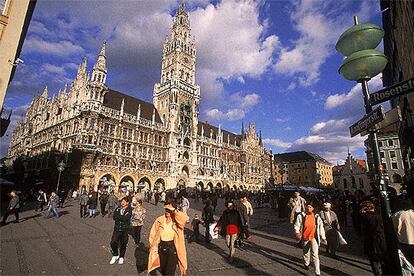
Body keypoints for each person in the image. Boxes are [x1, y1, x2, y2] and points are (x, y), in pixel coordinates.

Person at [148, 200, 188, 275]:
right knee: (163, 270)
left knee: (170, 272)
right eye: (166, 209)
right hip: (162, 247)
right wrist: (152, 246)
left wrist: (175, 210)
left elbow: (185, 219)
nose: (167, 211)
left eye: (169, 210)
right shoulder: (160, 220)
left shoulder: (177, 221)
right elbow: (152, 234)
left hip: (173, 248)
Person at [294, 202, 326, 276]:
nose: (309, 208)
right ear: (305, 207)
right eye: (307, 207)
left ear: (313, 208)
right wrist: (297, 232)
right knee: (306, 252)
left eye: (310, 207)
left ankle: (317, 272)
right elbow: (297, 225)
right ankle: (306, 263)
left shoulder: (317, 217)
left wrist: (323, 236)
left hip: (314, 237)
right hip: (305, 237)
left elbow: (321, 227)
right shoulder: (301, 216)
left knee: (315, 255)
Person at [360, 200, 386, 275]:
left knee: (374, 262)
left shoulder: (364, 217)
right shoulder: (379, 215)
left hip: (371, 241)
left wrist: (362, 213)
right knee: (383, 260)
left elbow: (362, 229)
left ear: (365, 208)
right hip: (381, 240)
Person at [109, 197, 132, 265]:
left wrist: (119, 217)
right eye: (122, 201)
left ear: (127, 203)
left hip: (125, 229)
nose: (122, 202)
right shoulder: (117, 208)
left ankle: (121, 256)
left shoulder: (129, 209)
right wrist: (121, 217)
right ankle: (115, 255)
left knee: (123, 243)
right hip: (117, 228)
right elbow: (114, 217)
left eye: (124, 201)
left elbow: (126, 218)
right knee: (113, 242)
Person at [392, 199, 414, 266]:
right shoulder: (413, 213)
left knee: (409, 261)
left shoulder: (397, 215)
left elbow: (393, 228)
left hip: (405, 241)